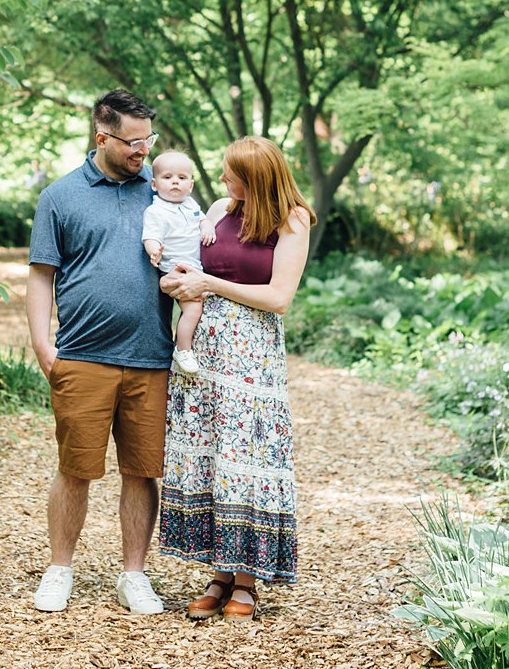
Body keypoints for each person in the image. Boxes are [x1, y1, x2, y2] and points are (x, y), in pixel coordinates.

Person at [156, 136, 315, 622]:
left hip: (252, 355)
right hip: (203, 351)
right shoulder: (223, 207)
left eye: (231, 172)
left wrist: (210, 285)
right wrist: (182, 277)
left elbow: (279, 297)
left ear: (257, 177)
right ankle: (218, 574)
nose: (222, 179)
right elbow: (197, 263)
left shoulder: (293, 218)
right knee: (208, 455)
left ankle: (246, 580)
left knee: (244, 457)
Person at [27, 89, 174, 616]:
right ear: (101, 136)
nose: (143, 150)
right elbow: (41, 276)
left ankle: (133, 575)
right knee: (76, 468)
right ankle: (59, 569)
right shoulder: (59, 197)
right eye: (133, 142)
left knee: (142, 470)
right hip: (83, 356)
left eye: (148, 139)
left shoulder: (161, 191)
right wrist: (45, 347)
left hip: (151, 357)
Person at [141, 150, 216, 377]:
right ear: (154, 184)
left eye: (182, 178)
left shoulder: (190, 204)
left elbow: (202, 219)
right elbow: (150, 237)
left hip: (195, 266)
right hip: (176, 268)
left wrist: (207, 226)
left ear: (190, 185)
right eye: (168, 177)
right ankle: (183, 349)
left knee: (200, 307)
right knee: (193, 309)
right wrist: (154, 251)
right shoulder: (156, 211)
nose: (175, 181)